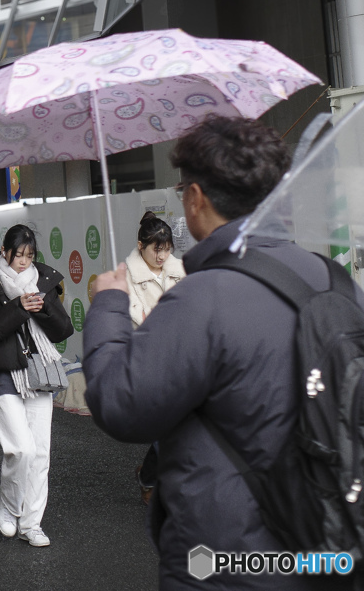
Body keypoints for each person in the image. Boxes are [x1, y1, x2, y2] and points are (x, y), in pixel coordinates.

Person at [83, 115, 356, 590]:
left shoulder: (204, 297)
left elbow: (121, 405)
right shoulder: (331, 279)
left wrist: (108, 305)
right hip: (329, 545)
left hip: (231, 563)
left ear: (195, 198)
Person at [0, 224, 73, 547]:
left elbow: (63, 329)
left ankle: (32, 524)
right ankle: (9, 507)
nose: (25, 262)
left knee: (40, 452)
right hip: (3, 373)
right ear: (5, 250)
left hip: (39, 373)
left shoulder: (44, 281)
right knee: (21, 448)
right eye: (19, 255)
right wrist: (18, 308)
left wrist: (43, 310)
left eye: (30, 255)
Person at [124, 213, 186, 504]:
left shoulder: (182, 271)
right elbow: (133, 322)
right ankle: (154, 478)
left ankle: (150, 475)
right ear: (141, 246)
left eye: (167, 248)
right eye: (156, 249)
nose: (162, 255)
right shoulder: (127, 278)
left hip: (183, 359)